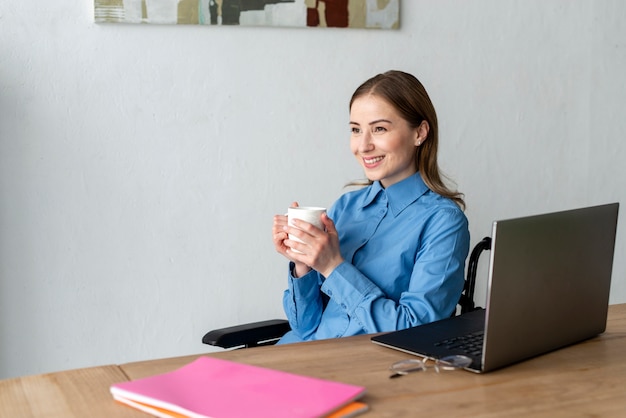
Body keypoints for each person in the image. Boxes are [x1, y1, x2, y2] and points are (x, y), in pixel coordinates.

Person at [272, 70, 470, 343]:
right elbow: (305, 327)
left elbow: (416, 330)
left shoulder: (443, 222)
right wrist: (303, 263)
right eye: (355, 130)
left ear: (420, 133)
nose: (363, 146)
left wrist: (333, 266)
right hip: (301, 352)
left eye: (379, 129)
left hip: (364, 369)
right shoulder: (346, 207)